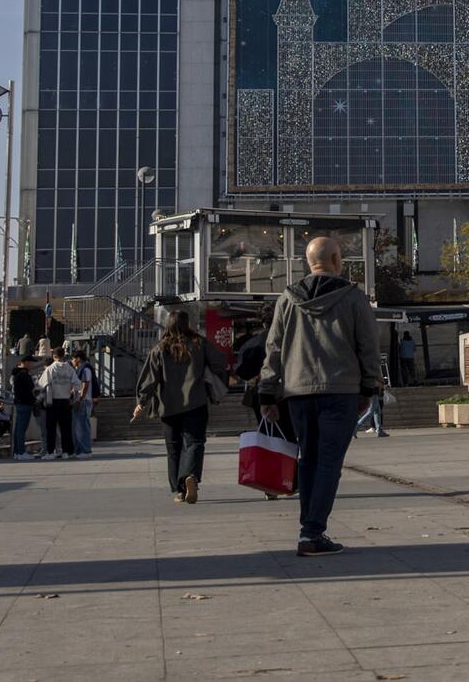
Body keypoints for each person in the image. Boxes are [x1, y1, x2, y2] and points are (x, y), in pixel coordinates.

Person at [258, 236, 381, 555]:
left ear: (307, 262)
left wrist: (267, 391)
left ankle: (307, 529)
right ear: (338, 260)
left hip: (298, 392)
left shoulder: (288, 298)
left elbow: (274, 347)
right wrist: (369, 387)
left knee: (308, 460)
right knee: (328, 463)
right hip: (340, 391)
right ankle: (312, 532)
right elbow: (368, 345)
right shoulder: (353, 297)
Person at [133, 309, 229, 504]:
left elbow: (149, 379)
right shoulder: (199, 344)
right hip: (196, 403)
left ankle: (180, 490)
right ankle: (190, 475)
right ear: (187, 324)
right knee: (195, 443)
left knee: (174, 447)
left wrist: (141, 402)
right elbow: (221, 360)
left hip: (168, 407)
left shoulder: (159, 349)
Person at [233, 325, 290, 500]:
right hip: (286, 393)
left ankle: (269, 484)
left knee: (267, 436)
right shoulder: (289, 338)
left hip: (259, 394)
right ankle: (287, 478)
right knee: (287, 437)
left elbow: (241, 370)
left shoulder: (254, 343)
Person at [37, 347, 80, 458]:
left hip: (53, 401)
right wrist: (73, 397)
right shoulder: (70, 369)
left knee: (51, 428)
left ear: (54, 356)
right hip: (66, 401)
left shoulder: (50, 369)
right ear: (63, 355)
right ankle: (67, 452)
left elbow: (41, 384)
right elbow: (77, 384)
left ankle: (50, 452)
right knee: (66, 428)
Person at [9, 354, 40, 459]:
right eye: (31, 363)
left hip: (19, 403)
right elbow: (31, 389)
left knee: (19, 428)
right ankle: (21, 452)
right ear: (26, 362)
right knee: (22, 428)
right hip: (25, 403)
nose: (32, 365)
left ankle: (17, 452)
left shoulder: (16, 373)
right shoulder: (24, 374)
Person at [70, 349, 96, 456]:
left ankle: (85, 449)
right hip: (82, 400)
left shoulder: (85, 369)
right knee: (78, 426)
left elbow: (85, 385)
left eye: (73, 359)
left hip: (83, 401)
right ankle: (80, 449)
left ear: (78, 359)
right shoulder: (81, 369)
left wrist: (80, 398)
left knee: (83, 426)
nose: (72, 361)